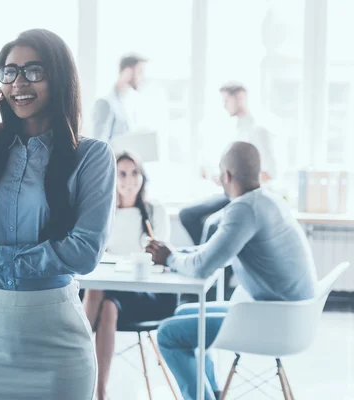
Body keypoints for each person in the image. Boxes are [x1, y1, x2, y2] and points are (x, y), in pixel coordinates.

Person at [0, 29, 116, 400]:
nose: (19, 83)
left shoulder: (92, 156)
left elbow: (84, 253)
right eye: (9, 71)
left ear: (59, 77)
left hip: (57, 340)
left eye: (34, 71)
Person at [146, 142, 317, 400]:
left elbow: (204, 267)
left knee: (168, 334)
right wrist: (174, 254)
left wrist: (169, 258)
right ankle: (213, 392)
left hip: (276, 321)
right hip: (289, 315)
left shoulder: (245, 209)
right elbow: (215, 253)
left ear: (226, 175)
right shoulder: (266, 200)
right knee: (184, 312)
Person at [82, 152, 177, 400]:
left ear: (143, 176)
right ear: (112, 178)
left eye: (134, 173)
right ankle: (101, 392)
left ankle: (74, 357)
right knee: (107, 303)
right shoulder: (103, 211)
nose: (129, 180)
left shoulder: (155, 211)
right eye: (122, 174)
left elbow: (163, 258)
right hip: (109, 294)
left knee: (98, 293)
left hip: (145, 294)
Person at [180, 83, 278, 246]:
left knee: (213, 226)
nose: (224, 106)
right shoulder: (237, 130)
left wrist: (238, 180)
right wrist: (222, 178)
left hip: (249, 196)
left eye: (227, 101)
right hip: (232, 192)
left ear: (240, 98)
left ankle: (210, 264)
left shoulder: (258, 130)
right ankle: (205, 260)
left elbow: (271, 173)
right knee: (187, 214)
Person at [93, 54, 147, 142]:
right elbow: (99, 145)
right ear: (128, 71)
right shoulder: (105, 102)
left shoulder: (130, 103)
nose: (143, 77)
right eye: (140, 72)